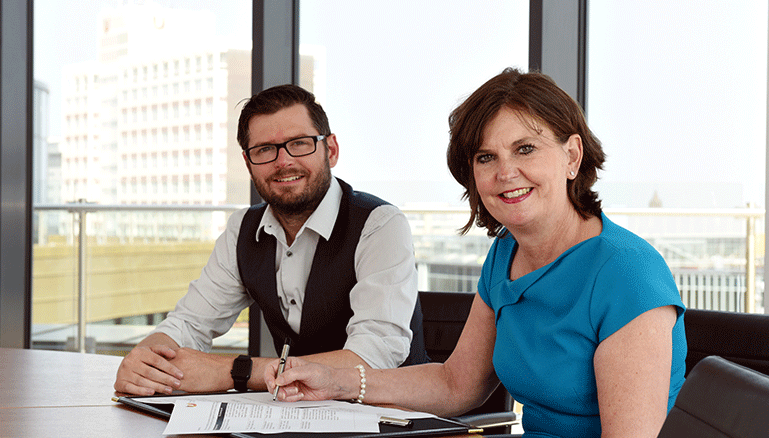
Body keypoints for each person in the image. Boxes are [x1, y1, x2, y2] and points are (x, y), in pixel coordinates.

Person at [266, 69, 688, 438]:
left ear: (572, 156)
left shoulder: (627, 274)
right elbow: (456, 384)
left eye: (525, 149)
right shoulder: (506, 253)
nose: (505, 173)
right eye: (487, 157)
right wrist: (337, 382)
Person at [114, 84, 426, 396]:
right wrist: (145, 360)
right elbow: (189, 324)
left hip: (387, 416)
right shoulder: (242, 230)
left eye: (299, 143)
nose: (283, 161)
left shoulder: (380, 224)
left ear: (330, 150)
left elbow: (373, 357)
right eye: (264, 150)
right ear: (249, 164)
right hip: (291, 416)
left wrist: (233, 371)